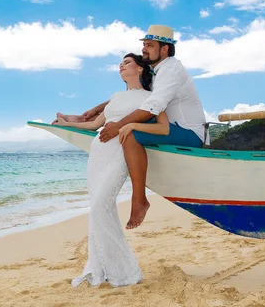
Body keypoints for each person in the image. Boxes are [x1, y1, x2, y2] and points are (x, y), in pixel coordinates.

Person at [55, 53, 169, 288]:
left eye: (127, 62)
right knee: (98, 210)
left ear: (140, 69)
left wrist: (130, 126)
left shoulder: (152, 97)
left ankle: (126, 271)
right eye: (121, 63)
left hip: (120, 153)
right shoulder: (116, 97)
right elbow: (94, 125)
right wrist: (68, 124)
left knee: (99, 208)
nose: (121, 65)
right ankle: (102, 268)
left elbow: (162, 128)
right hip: (98, 153)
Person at [81, 25, 206, 230]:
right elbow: (134, 95)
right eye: (144, 45)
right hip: (170, 127)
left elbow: (152, 106)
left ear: (164, 49)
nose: (144, 50)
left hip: (189, 133)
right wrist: (97, 110)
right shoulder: (157, 70)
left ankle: (139, 199)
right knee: (127, 127)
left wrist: (118, 126)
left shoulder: (170, 70)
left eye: (149, 45)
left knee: (130, 134)